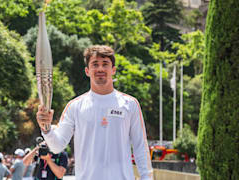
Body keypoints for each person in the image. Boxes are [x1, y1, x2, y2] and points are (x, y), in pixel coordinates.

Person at [36, 45, 153, 180]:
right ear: (87, 70)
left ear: (113, 69)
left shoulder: (130, 104)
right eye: (95, 64)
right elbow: (57, 147)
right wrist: (46, 129)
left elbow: (140, 148)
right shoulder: (75, 106)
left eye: (105, 64)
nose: (100, 69)